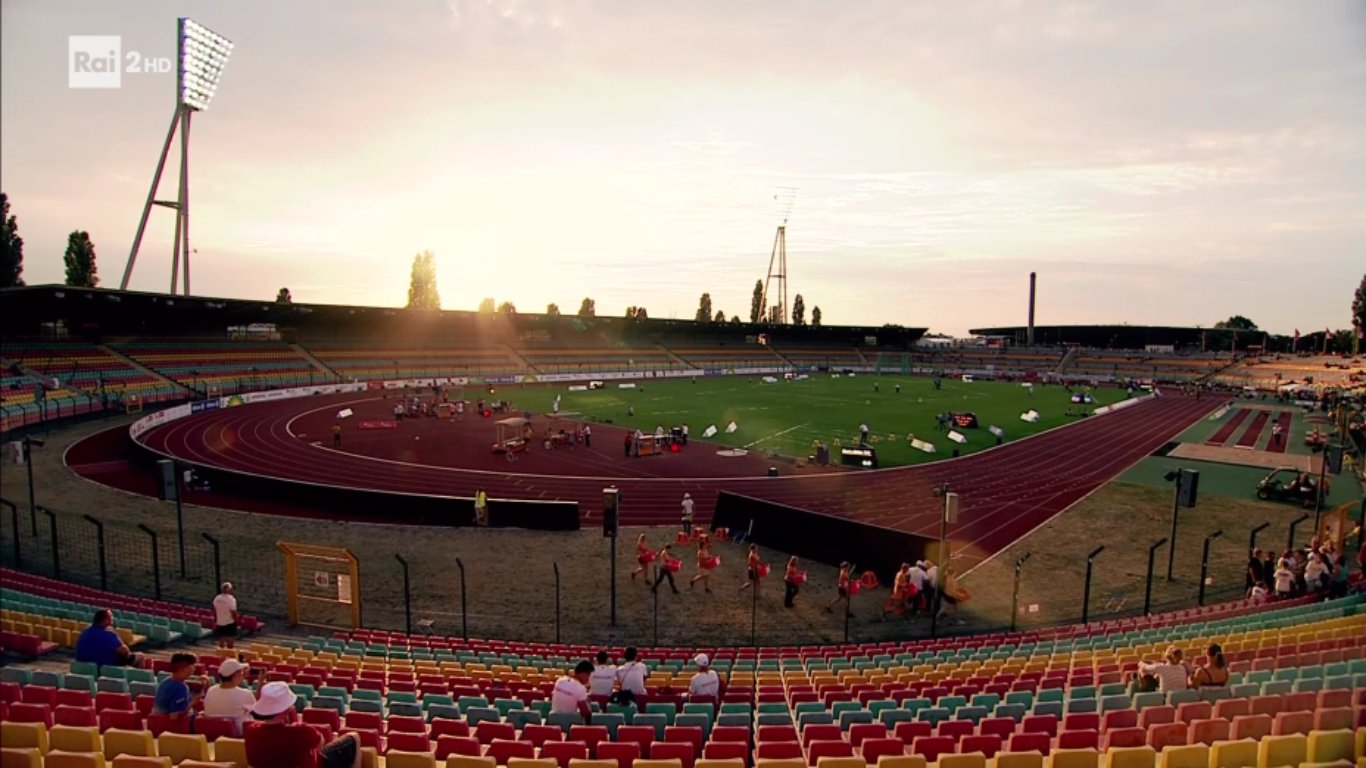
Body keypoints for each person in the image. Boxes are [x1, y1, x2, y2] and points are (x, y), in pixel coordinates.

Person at [245, 681, 361, 768]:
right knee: (354, 737)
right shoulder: (302, 732)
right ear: (286, 709)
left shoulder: (251, 731)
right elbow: (320, 743)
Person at [203, 659, 257, 735]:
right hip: (238, 735)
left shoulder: (210, 690)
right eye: (241, 672)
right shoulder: (245, 694)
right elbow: (257, 713)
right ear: (235, 674)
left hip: (212, 733)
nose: (243, 675)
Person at [153, 653, 205, 721]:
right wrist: (194, 700)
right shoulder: (181, 688)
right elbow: (173, 716)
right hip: (172, 727)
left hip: (157, 721)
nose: (194, 669)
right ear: (183, 669)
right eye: (192, 666)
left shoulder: (166, 681)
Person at [213, 582, 239, 650]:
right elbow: (233, 612)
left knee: (221, 641)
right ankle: (229, 654)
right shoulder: (231, 599)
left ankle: (221, 654)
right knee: (230, 642)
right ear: (230, 590)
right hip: (229, 622)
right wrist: (236, 620)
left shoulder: (216, 598)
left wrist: (216, 619)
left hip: (220, 622)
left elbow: (215, 610)